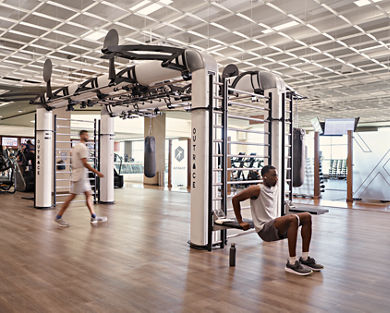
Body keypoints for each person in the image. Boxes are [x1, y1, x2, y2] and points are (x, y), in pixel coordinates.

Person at [232, 165, 324, 276]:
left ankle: (304, 258)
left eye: (277, 176)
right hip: (264, 229)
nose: (276, 178)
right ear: (264, 177)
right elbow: (235, 199)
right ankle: (292, 262)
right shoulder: (256, 189)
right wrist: (240, 221)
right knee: (293, 219)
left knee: (307, 216)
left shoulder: (274, 187)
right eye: (273, 176)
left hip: (274, 226)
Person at [55, 130, 107, 227]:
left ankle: (93, 216)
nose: (88, 136)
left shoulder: (75, 147)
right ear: (82, 135)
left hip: (81, 175)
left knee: (88, 195)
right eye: (86, 135)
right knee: (72, 197)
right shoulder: (82, 147)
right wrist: (97, 172)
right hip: (80, 176)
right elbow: (85, 163)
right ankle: (58, 217)